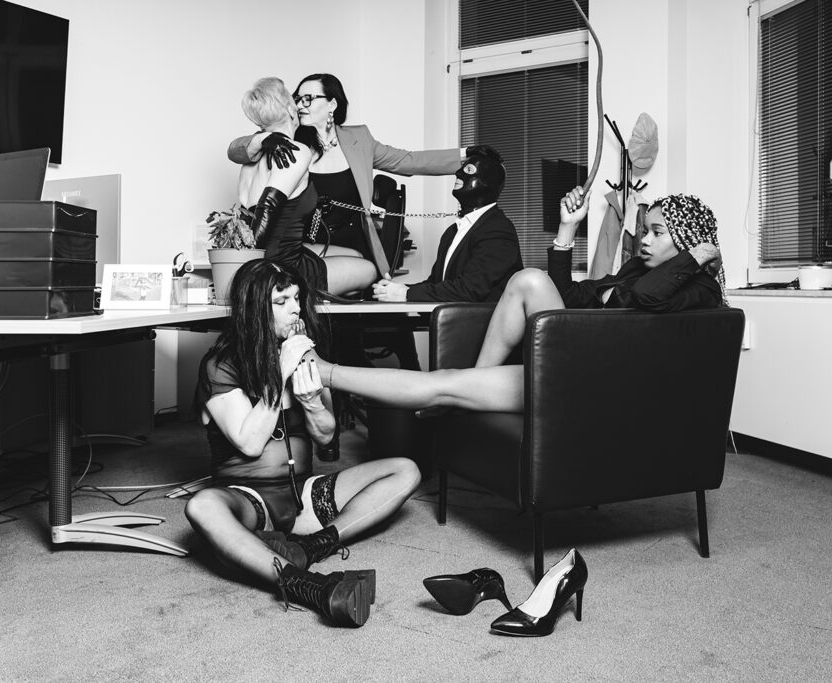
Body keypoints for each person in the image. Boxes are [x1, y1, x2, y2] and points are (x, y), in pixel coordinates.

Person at [300, 186, 727, 414]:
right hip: (567, 370)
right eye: (645, 230)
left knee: (527, 283)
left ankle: (325, 372)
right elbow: (569, 296)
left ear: (688, 242)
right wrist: (567, 230)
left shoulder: (698, 288)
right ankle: (326, 372)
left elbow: (651, 299)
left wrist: (696, 257)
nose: (644, 240)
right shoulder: (636, 271)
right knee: (446, 383)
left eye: (657, 233)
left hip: (593, 386)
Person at [184, 259, 421, 626]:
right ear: (254, 309)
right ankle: (311, 587)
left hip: (304, 497)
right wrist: (280, 373)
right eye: (282, 301)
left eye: (296, 298)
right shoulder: (222, 364)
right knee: (202, 506)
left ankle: (312, 546)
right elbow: (249, 443)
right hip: (251, 499)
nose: (295, 309)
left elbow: (326, 439)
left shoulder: (305, 355)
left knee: (405, 470)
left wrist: (311, 403)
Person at [229, 72, 467, 281]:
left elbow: (409, 160)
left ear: (332, 104)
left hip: (352, 239)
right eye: (297, 98)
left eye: (308, 98)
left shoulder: (359, 139)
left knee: (362, 266)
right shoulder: (290, 144)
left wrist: (467, 155)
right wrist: (263, 139)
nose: (300, 104)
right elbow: (235, 150)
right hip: (305, 242)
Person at [236, 77, 374, 296]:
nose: (300, 105)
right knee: (369, 270)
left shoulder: (250, 158)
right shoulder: (296, 151)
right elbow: (267, 209)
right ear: (290, 111)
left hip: (282, 251)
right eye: (295, 100)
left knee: (355, 255)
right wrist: (255, 275)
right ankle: (304, 303)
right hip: (285, 264)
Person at [371, 144, 523, 303]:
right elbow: (436, 285)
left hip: (482, 318)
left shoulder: (498, 229)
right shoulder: (452, 231)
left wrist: (406, 294)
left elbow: (470, 290)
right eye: (461, 168)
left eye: (468, 170)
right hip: (453, 316)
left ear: (488, 183)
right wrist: (395, 289)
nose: (458, 173)